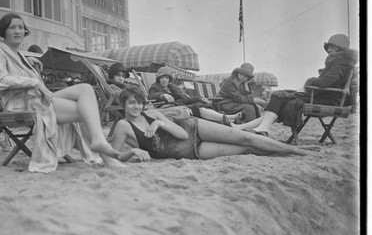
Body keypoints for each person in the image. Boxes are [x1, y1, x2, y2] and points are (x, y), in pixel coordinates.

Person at [0, 12, 123, 173]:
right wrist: (34, 80)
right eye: (12, 27)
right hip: (19, 104)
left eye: (21, 28)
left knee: (86, 89)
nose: (17, 31)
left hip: (35, 99)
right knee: (85, 111)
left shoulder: (19, 55)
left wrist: (27, 63)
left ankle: (99, 142)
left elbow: (15, 70)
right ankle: (107, 156)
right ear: (3, 31)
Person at [110, 86, 319, 162]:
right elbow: (114, 156)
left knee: (246, 136)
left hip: (193, 128)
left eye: (139, 103)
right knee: (245, 149)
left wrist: (158, 124)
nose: (136, 107)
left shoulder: (152, 114)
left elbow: (181, 133)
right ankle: (286, 151)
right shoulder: (123, 126)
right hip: (188, 152)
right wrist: (132, 153)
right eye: (131, 103)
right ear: (124, 105)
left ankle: (296, 150)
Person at [246, 34, 358, 137]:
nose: (328, 50)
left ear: (339, 48)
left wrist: (309, 83)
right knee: (281, 96)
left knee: (279, 96)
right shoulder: (341, 63)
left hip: (327, 100)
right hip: (324, 97)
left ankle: (262, 128)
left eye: (331, 47)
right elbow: (326, 83)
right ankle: (253, 127)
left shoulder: (340, 64)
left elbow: (324, 83)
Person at [148, 66, 242, 125]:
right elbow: (151, 96)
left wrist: (200, 98)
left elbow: (186, 99)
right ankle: (226, 118)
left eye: (166, 78)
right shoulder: (155, 87)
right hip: (175, 108)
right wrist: (162, 95)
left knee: (201, 103)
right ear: (159, 79)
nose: (164, 80)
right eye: (162, 78)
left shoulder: (173, 87)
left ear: (169, 79)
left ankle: (224, 119)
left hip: (182, 105)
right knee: (197, 107)